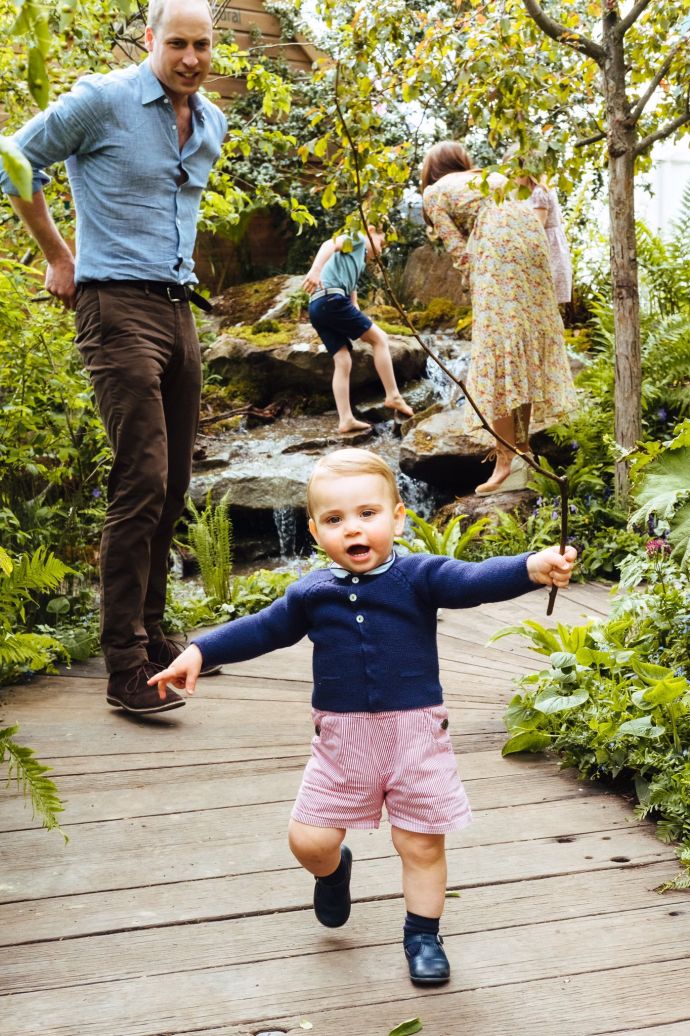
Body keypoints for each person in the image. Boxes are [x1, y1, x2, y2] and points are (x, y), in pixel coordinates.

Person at [148, 447, 577, 985]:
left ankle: (422, 933)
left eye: (367, 514)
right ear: (315, 530)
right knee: (310, 841)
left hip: (416, 736)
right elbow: (262, 628)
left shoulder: (420, 576)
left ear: (397, 516)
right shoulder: (311, 593)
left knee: (419, 842)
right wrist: (201, 651)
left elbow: (472, 581)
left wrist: (530, 567)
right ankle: (334, 872)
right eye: (335, 519)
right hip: (340, 744)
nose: (353, 528)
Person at [0, 0, 228, 716]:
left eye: (202, 45)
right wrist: (58, 254)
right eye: (178, 44)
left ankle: (153, 633)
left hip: (177, 308)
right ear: (150, 39)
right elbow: (14, 160)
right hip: (113, 305)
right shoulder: (102, 100)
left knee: (175, 480)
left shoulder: (212, 124)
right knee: (142, 475)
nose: (191, 58)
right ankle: (123, 666)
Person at [421, 142, 578, 496]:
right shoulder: (488, 177)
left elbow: (457, 248)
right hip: (529, 238)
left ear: (431, 170)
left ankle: (505, 464)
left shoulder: (434, 191)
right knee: (519, 348)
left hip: (496, 243)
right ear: (462, 162)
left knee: (496, 352)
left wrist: (475, 282)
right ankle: (524, 453)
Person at [303, 227, 413, 435]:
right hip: (331, 299)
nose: (381, 250)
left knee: (343, 360)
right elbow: (329, 244)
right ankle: (393, 395)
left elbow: (350, 286)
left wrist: (354, 306)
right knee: (380, 339)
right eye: (382, 242)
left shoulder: (358, 258)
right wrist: (316, 270)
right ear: (371, 231)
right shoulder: (359, 238)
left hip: (318, 306)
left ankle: (345, 419)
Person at [525, 177, 573, 305]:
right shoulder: (543, 189)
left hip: (547, 246)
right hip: (554, 243)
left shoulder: (539, 192)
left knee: (543, 299)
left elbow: (537, 227)